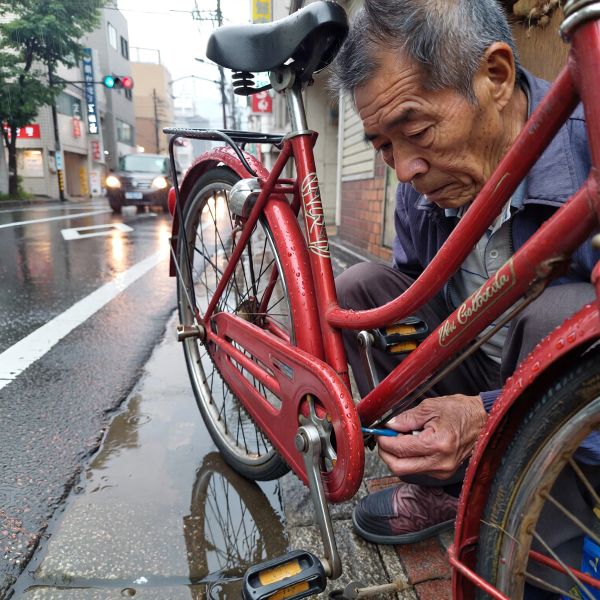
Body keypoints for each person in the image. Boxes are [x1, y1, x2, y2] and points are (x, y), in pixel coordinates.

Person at [331, 0, 599, 595]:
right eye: (383, 146)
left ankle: (534, 511)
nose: (405, 168)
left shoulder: (589, 147)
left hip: (557, 389)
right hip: (480, 357)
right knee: (366, 296)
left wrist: (487, 414)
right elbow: (412, 298)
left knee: (557, 313)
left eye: (417, 131)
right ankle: (443, 485)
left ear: (496, 77)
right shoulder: (424, 178)